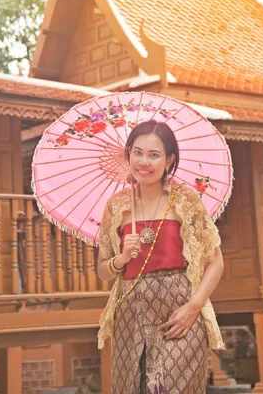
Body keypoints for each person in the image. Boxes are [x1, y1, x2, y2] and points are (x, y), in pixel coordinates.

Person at [97, 120, 225, 394]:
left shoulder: (184, 200)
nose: (144, 162)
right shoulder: (117, 205)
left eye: (154, 155)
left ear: (169, 160)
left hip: (178, 312)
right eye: (138, 152)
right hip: (131, 314)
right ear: (128, 154)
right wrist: (120, 259)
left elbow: (216, 261)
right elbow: (102, 270)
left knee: (166, 388)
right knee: (133, 387)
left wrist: (194, 307)